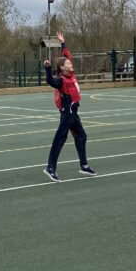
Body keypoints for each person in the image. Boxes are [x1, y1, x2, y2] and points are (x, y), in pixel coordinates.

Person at [43, 31, 95, 182]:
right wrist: (47, 69)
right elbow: (50, 82)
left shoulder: (71, 75)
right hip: (67, 113)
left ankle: (84, 166)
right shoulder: (61, 80)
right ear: (62, 68)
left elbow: (66, 55)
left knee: (81, 136)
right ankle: (50, 168)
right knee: (60, 138)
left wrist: (62, 43)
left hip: (74, 112)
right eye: (68, 64)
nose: (70, 64)